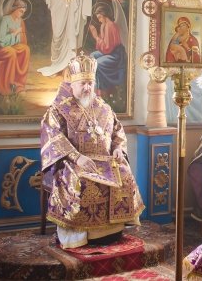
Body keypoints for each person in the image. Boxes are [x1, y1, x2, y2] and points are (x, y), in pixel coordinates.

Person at [40, 51, 143, 248]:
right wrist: (77, 157)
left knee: (124, 172)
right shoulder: (58, 109)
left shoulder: (102, 107)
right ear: (72, 84)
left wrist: (118, 148)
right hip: (71, 162)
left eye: (90, 83)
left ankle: (114, 231)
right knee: (83, 181)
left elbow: (117, 130)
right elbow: (53, 136)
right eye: (83, 83)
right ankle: (78, 237)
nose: (87, 87)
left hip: (106, 160)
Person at [0, 0, 31, 95]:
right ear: (15, 9)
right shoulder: (5, 20)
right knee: (11, 52)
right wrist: (14, 34)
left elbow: (19, 41)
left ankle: (19, 85)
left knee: (25, 49)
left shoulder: (20, 21)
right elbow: (0, 40)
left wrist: (16, 35)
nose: (22, 14)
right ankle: (6, 86)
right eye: (21, 11)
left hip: (11, 45)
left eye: (23, 12)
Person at [88, 2, 127, 94]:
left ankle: (101, 89)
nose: (99, 20)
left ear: (104, 15)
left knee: (96, 63)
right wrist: (98, 35)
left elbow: (107, 48)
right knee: (92, 56)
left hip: (115, 55)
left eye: (100, 17)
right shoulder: (103, 26)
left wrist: (96, 37)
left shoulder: (110, 26)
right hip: (109, 51)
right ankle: (96, 85)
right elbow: (102, 46)